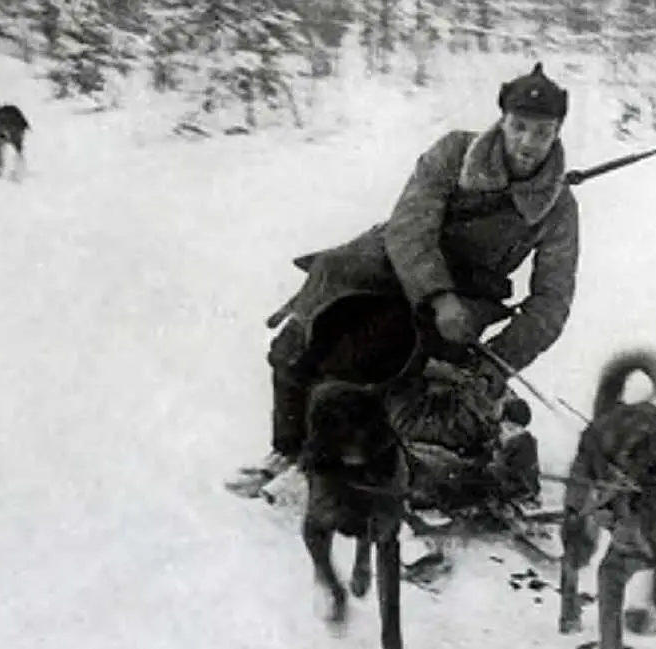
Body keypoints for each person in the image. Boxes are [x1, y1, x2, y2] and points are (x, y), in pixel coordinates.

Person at [228, 62, 579, 500]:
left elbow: (552, 301)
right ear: (502, 120)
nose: (528, 143)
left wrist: (496, 361)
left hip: (467, 298)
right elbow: (410, 227)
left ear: (558, 133)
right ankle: (287, 449)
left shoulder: (560, 207)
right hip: (392, 267)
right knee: (299, 342)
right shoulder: (453, 153)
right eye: (519, 126)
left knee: (379, 359)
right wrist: (438, 295)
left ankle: (472, 426)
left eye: (542, 132)